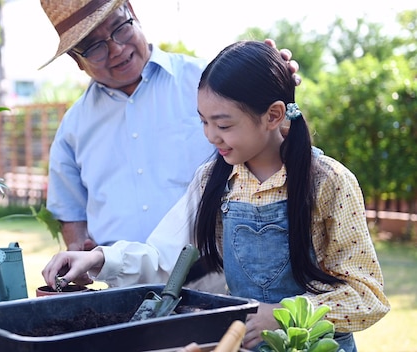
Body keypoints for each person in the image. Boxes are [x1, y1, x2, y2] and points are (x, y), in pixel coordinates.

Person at [42, 40, 390, 351]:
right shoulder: (213, 179)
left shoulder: (328, 181)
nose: (211, 136)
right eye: (203, 122)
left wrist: (284, 316)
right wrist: (99, 259)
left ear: (273, 115)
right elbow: (165, 257)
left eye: (223, 125)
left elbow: (367, 295)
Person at [39, 0, 300, 254]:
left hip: (218, 278)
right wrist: (79, 249)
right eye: (95, 47)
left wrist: (273, 82)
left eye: (120, 28)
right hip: (118, 285)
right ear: (76, 60)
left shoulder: (207, 85)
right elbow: (70, 212)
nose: (116, 49)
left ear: (132, 11)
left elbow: (272, 138)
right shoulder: (73, 127)